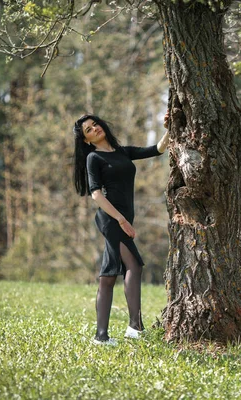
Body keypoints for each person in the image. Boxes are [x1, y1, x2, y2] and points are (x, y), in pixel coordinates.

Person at [73, 112, 169, 345]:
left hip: (121, 218)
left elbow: (157, 149)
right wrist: (121, 220)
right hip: (111, 218)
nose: (94, 128)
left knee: (108, 275)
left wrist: (171, 126)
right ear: (86, 140)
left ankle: (102, 336)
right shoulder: (93, 158)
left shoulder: (123, 152)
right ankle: (135, 327)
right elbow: (96, 193)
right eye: (89, 130)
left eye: (95, 124)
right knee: (133, 266)